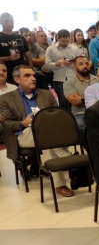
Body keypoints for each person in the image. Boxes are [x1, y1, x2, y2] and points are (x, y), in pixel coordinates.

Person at [0, 65, 74, 197]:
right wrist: (23, 123)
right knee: (45, 136)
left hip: (47, 133)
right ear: (17, 79)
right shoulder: (6, 98)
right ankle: (70, 163)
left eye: (33, 75)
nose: (32, 78)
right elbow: (6, 124)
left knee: (47, 144)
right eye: (27, 76)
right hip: (23, 134)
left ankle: (61, 184)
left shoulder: (46, 95)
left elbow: (58, 115)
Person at [44, 29, 79, 111]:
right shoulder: (51, 49)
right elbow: (47, 64)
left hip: (73, 78)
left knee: (74, 101)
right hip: (59, 79)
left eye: (67, 41)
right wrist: (58, 64)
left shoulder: (74, 48)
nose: (65, 43)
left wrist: (73, 63)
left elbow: (80, 62)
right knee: (63, 102)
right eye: (63, 41)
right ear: (58, 38)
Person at [62, 55, 97, 130]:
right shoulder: (69, 83)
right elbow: (76, 102)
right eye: (81, 64)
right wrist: (96, 98)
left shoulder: (98, 80)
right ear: (75, 67)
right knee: (80, 125)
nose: (85, 66)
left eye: (87, 64)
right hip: (80, 113)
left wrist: (82, 99)